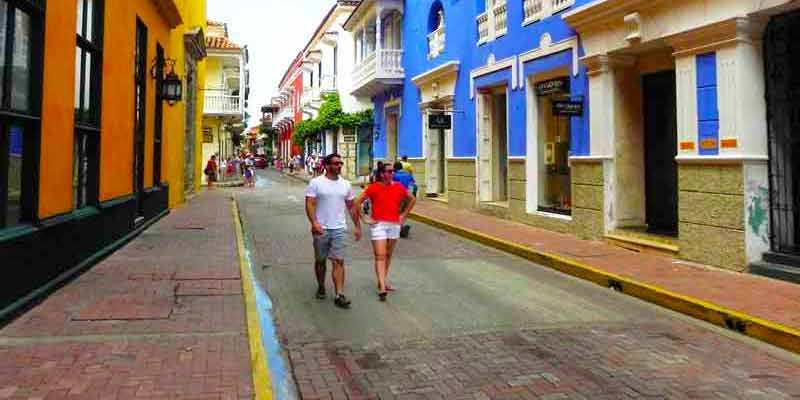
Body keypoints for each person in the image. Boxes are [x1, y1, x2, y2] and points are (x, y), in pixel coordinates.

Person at [354, 162, 416, 302]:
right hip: (379, 225)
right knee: (380, 256)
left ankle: (382, 280)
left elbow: (412, 199)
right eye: (389, 171)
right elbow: (357, 202)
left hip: (394, 224)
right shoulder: (374, 187)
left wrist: (404, 215)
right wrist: (364, 218)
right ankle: (382, 286)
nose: (392, 173)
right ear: (382, 174)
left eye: (392, 171)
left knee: (388, 255)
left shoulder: (398, 187)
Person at [305, 153, 361, 309]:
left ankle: (339, 294)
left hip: (339, 228)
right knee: (320, 261)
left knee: (339, 261)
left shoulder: (346, 185)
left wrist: (357, 225)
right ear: (327, 165)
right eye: (336, 163)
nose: (339, 166)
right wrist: (314, 222)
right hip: (321, 228)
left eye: (340, 163)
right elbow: (310, 203)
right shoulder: (316, 183)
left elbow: (351, 206)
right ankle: (321, 286)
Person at [392, 162, 416, 238]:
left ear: (395, 168)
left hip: (398, 196)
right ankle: (401, 227)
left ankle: (399, 229)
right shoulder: (409, 175)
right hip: (408, 196)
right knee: (403, 213)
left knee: (396, 212)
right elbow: (412, 185)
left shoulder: (394, 176)